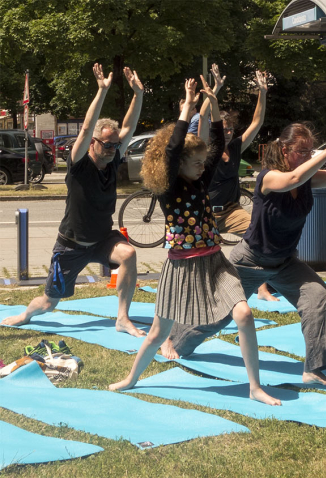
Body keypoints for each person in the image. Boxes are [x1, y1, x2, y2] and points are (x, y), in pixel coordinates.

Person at [109, 77, 280, 406]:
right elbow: (172, 150)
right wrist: (187, 106)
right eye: (196, 162)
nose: (204, 167)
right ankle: (131, 378)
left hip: (215, 261)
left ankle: (255, 387)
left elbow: (216, 146)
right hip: (181, 267)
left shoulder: (201, 180)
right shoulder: (169, 189)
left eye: (204, 162)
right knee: (159, 332)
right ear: (179, 166)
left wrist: (213, 106)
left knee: (244, 315)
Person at [3, 64, 146, 337]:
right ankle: (25, 314)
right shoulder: (79, 163)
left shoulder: (113, 158)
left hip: (103, 240)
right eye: (107, 144)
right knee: (48, 303)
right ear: (93, 142)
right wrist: (102, 90)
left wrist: (138, 95)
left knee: (128, 253)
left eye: (116, 145)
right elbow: (86, 129)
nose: (113, 149)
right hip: (71, 245)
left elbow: (128, 126)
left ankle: (122, 318)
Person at [229, 118, 326, 385]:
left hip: (284, 262)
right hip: (250, 260)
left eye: (311, 151)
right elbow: (292, 178)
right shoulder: (270, 176)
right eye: (302, 152)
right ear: (285, 150)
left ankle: (313, 369)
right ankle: (176, 341)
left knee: (318, 297)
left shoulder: (307, 179)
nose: (308, 156)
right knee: (218, 314)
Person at [158, 67, 273, 360]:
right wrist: (197, 101)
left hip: (224, 218)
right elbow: (187, 141)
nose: (229, 133)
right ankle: (164, 338)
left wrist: (260, 92)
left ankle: (261, 286)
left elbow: (248, 126)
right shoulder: (193, 166)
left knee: (259, 232)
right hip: (193, 233)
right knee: (183, 296)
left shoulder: (222, 156)